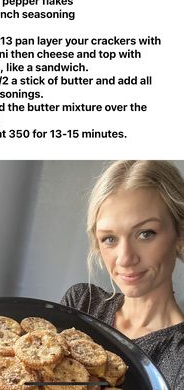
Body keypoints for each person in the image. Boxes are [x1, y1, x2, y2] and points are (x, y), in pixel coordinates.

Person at [61, 160, 184, 389]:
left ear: (180, 234)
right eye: (110, 238)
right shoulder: (81, 303)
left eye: (146, 233)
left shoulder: (180, 360)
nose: (125, 258)